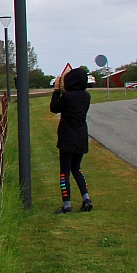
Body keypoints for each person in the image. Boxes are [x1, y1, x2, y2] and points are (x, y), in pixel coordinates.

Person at [50, 65, 93, 213]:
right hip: (81, 136)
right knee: (77, 169)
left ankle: (67, 205)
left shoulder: (67, 97)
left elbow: (54, 108)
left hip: (67, 137)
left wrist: (56, 90)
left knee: (64, 172)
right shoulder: (86, 96)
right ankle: (86, 198)